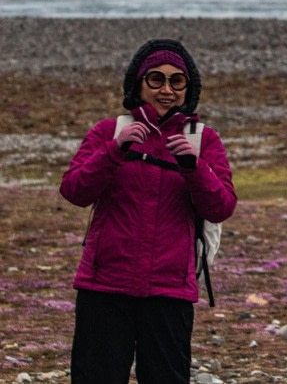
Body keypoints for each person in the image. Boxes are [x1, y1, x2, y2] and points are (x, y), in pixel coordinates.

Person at [60, 38, 237, 384]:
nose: (166, 90)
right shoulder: (108, 132)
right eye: (155, 79)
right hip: (104, 288)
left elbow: (222, 207)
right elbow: (74, 191)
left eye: (176, 81)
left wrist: (194, 166)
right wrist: (113, 152)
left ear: (189, 88)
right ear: (138, 85)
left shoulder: (204, 141)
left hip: (169, 292)